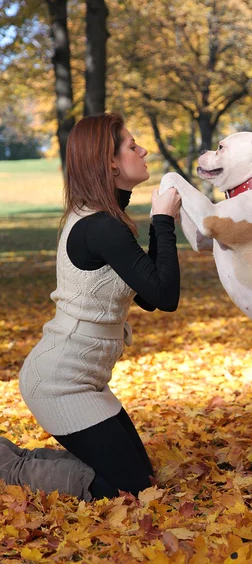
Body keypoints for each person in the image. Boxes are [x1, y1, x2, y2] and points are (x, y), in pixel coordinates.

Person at [0, 112, 181, 501]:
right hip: (57, 384)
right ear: (111, 162)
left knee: (140, 478)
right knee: (128, 489)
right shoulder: (100, 226)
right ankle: (9, 468)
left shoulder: (106, 221)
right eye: (132, 146)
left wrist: (157, 224)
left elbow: (149, 296)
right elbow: (166, 297)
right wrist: (163, 221)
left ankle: (14, 455)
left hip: (85, 379)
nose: (143, 150)